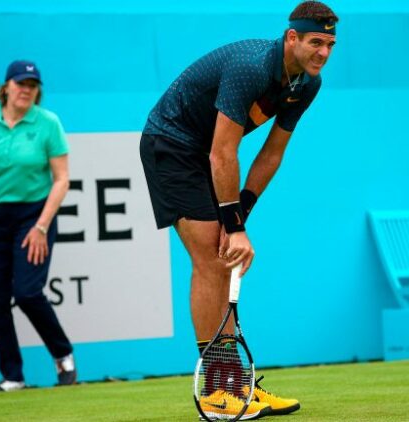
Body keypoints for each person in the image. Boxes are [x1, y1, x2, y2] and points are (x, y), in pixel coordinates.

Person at [140, 1, 337, 418]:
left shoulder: (307, 84)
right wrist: (232, 225)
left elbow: (271, 153)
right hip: (171, 145)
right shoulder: (251, 66)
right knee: (213, 260)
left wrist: (239, 218)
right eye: (315, 42)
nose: (323, 52)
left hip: (206, 154)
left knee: (225, 254)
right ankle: (216, 392)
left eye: (330, 44)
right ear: (292, 38)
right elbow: (222, 152)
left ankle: (235, 385)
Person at [0, 60, 76, 392]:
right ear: (6, 86)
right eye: (21, 83)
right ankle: (13, 376)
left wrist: (41, 226)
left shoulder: (48, 123)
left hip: (34, 217)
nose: (26, 89)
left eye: (33, 85)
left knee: (26, 292)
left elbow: (62, 179)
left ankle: (63, 355)